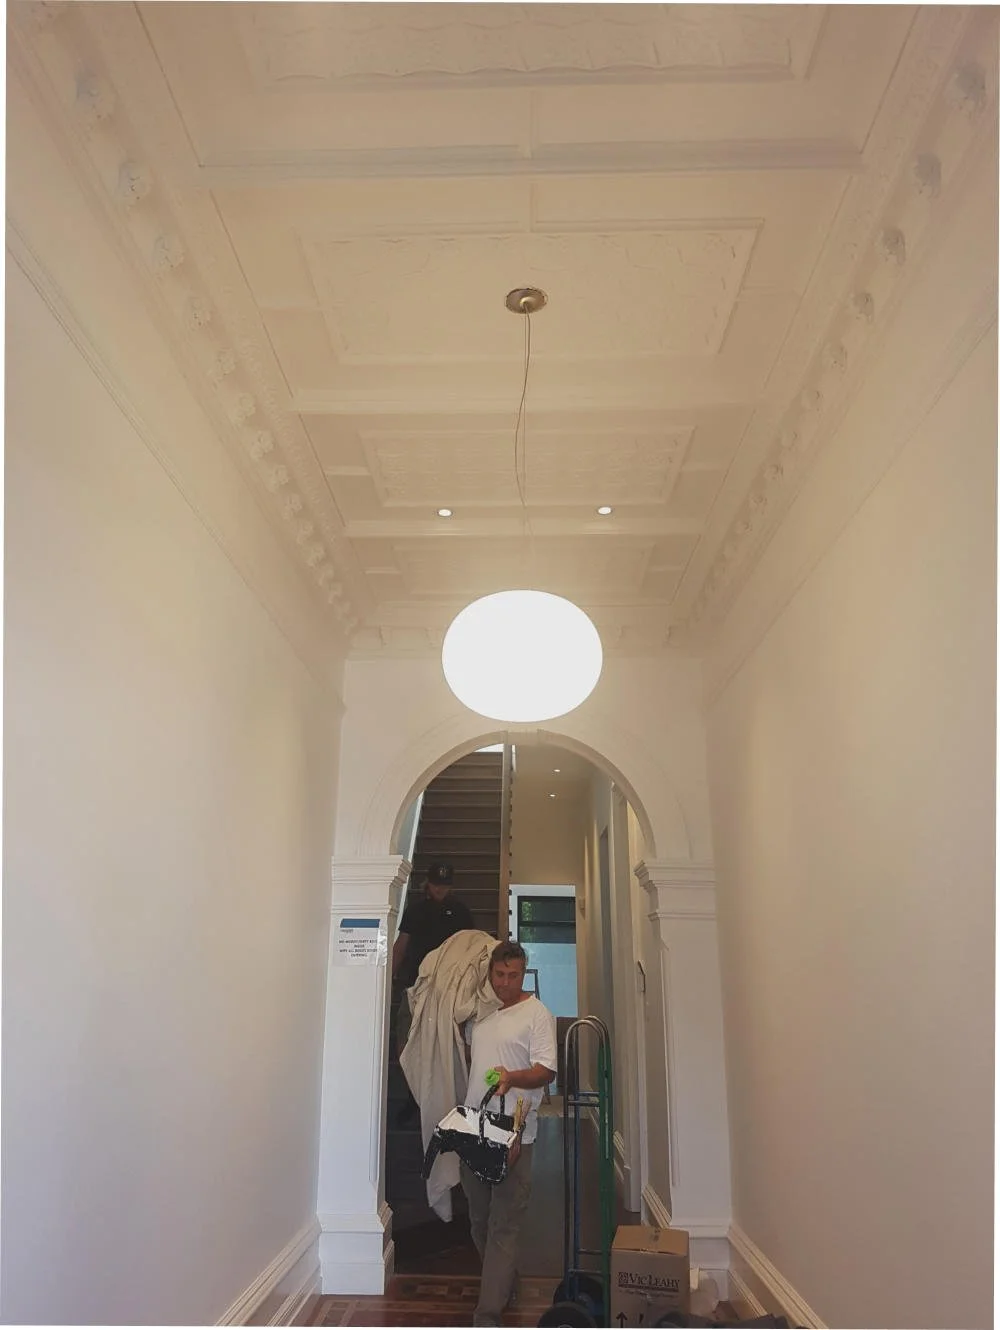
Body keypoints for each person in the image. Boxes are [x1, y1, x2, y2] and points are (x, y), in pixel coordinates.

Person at [461, 940, 557, 1327]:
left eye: (513, 975)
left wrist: (511, 1077)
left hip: (515, 1133)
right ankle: (503, 1283)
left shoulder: (537, 1014)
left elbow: (546, 1071)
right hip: (472, 1130)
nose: (505, 983)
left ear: (523, 972)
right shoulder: (480, 1014)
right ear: (490, 973)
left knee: (504, 1223)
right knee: (479, 1220)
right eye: (499, 975)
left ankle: (487, 1315)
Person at [392, 862, 474, 1124]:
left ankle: (447, 1099)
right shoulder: (415, 910)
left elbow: (471, 946)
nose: (440, 889)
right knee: (405, 1040)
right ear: (428, 883)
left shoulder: (460, 912)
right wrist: (389, 978)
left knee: (447, 1043)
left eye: (445, 884)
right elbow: (401, 945)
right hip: (416, 983)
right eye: (436, 884)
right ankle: (413, 1096)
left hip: (449, 988)